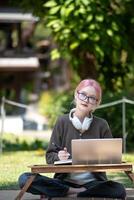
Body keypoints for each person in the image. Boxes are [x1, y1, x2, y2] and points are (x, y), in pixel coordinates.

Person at [18, 79, 126, 199]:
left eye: (92, 98)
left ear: (97, 103)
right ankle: (75, 191)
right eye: (83, 95)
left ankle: (68, 192)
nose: (86, 100)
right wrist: (58, 156)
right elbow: (49, 156)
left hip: (94, 183)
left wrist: (102, 157)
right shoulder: (62, 121)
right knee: (24, 179)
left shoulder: (102, 124)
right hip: (64, 181)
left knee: (118, 189)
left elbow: (111, 158)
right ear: (76, 94)